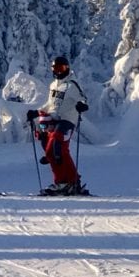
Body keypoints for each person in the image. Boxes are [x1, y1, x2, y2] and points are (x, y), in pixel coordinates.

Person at [26, 56, 89, 195]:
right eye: (56, 68)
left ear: (67, 69)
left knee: (56, 147)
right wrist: (36, 112)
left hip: (67, 121)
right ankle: (71, 182)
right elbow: (50, 105)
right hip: (53, 120)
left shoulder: (72, 85)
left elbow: (83, 99)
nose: (59, 72)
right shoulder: (54, 85)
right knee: (52, 150)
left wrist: (82, 106)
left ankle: (62, 183)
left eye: (62, 68)